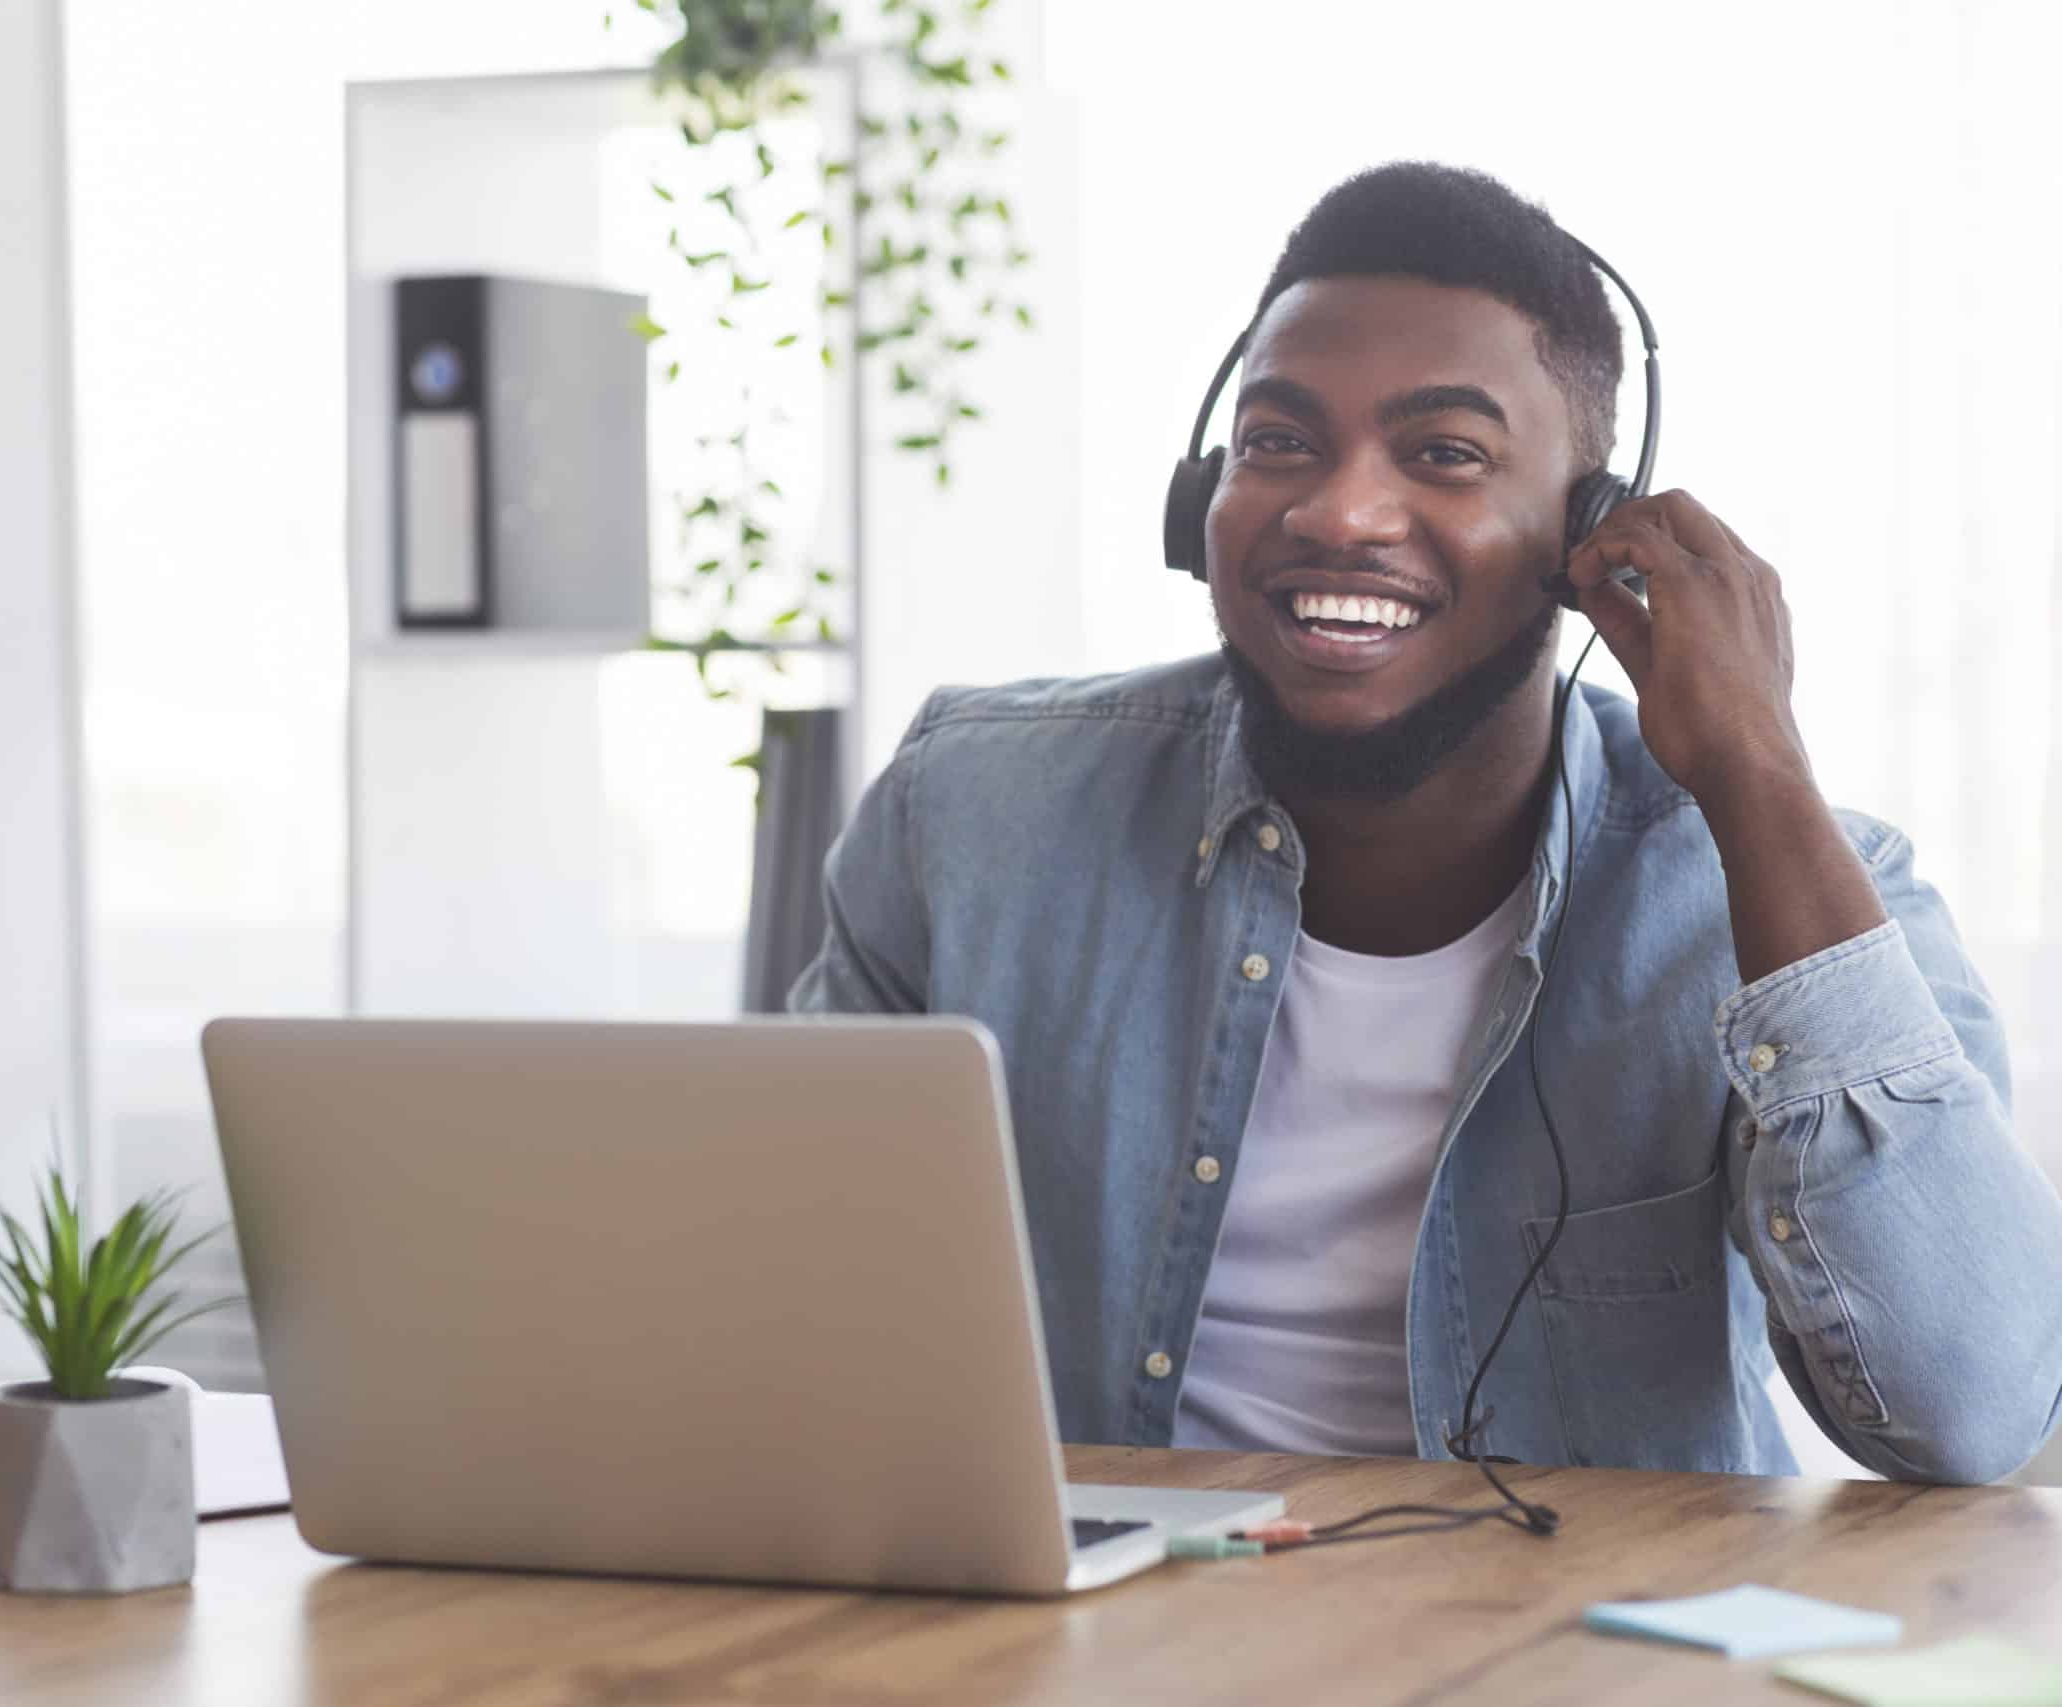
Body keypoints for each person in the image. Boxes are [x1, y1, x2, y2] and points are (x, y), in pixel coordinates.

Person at [790, 161, 2062, 1483]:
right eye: (1277, 441)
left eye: (1444, 454)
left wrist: (1755, 771)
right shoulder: (972, 810)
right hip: (1097, 1653)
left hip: (1561, 1661)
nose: (1338, 511)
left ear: (1588, 534)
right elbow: (779, 1280)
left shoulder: (1797, 885)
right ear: (1199, 501)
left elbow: (1974, 1416)